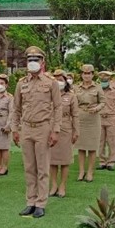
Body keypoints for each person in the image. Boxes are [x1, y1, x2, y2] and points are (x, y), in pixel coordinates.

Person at [12, 46, 61, 219]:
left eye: (36, 60)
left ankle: (41, 203)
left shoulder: (51, 82)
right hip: (26, 128)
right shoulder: (21, 83)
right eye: (30, 60)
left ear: (42, 62)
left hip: (43, 127)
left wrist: (55, 130)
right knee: (29, 167)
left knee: (42, 167)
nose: (32, 63)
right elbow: (16, 108)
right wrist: (14, 129)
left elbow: (57, 107)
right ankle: (30, 201)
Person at [49, 70, 79, 198]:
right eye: (55, 79)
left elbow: (75, 115)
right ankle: (54, 185)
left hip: (65, 128)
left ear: (66, 81)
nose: (58, 82)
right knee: (52, 160)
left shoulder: (71, 96)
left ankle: (62, 185)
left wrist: (76, 130)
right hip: (50, 128)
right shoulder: (48, 95)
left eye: (60, 79)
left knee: (65, 160)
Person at [74, 64, 106, 182]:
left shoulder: (97, 87)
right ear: (81, 74)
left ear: (93, 74)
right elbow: (73, 102)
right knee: (81, 147)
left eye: (89, 73)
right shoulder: (76, 88)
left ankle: (90, 172)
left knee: (92, 147)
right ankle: (81, 171)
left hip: (93, 119)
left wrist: (97, 108)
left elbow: (103, 102)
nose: (86, 75)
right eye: (84, 73)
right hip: (80, 118)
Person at [97, 71, 115, 172]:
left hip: (112, 117)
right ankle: (102, 161)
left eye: (106, 78)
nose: (104, 79)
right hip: (99, 117)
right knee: (100, 141)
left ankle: (111, 162)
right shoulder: (97, 89)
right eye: (102, 78)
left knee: (112, 141)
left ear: (110, 79)